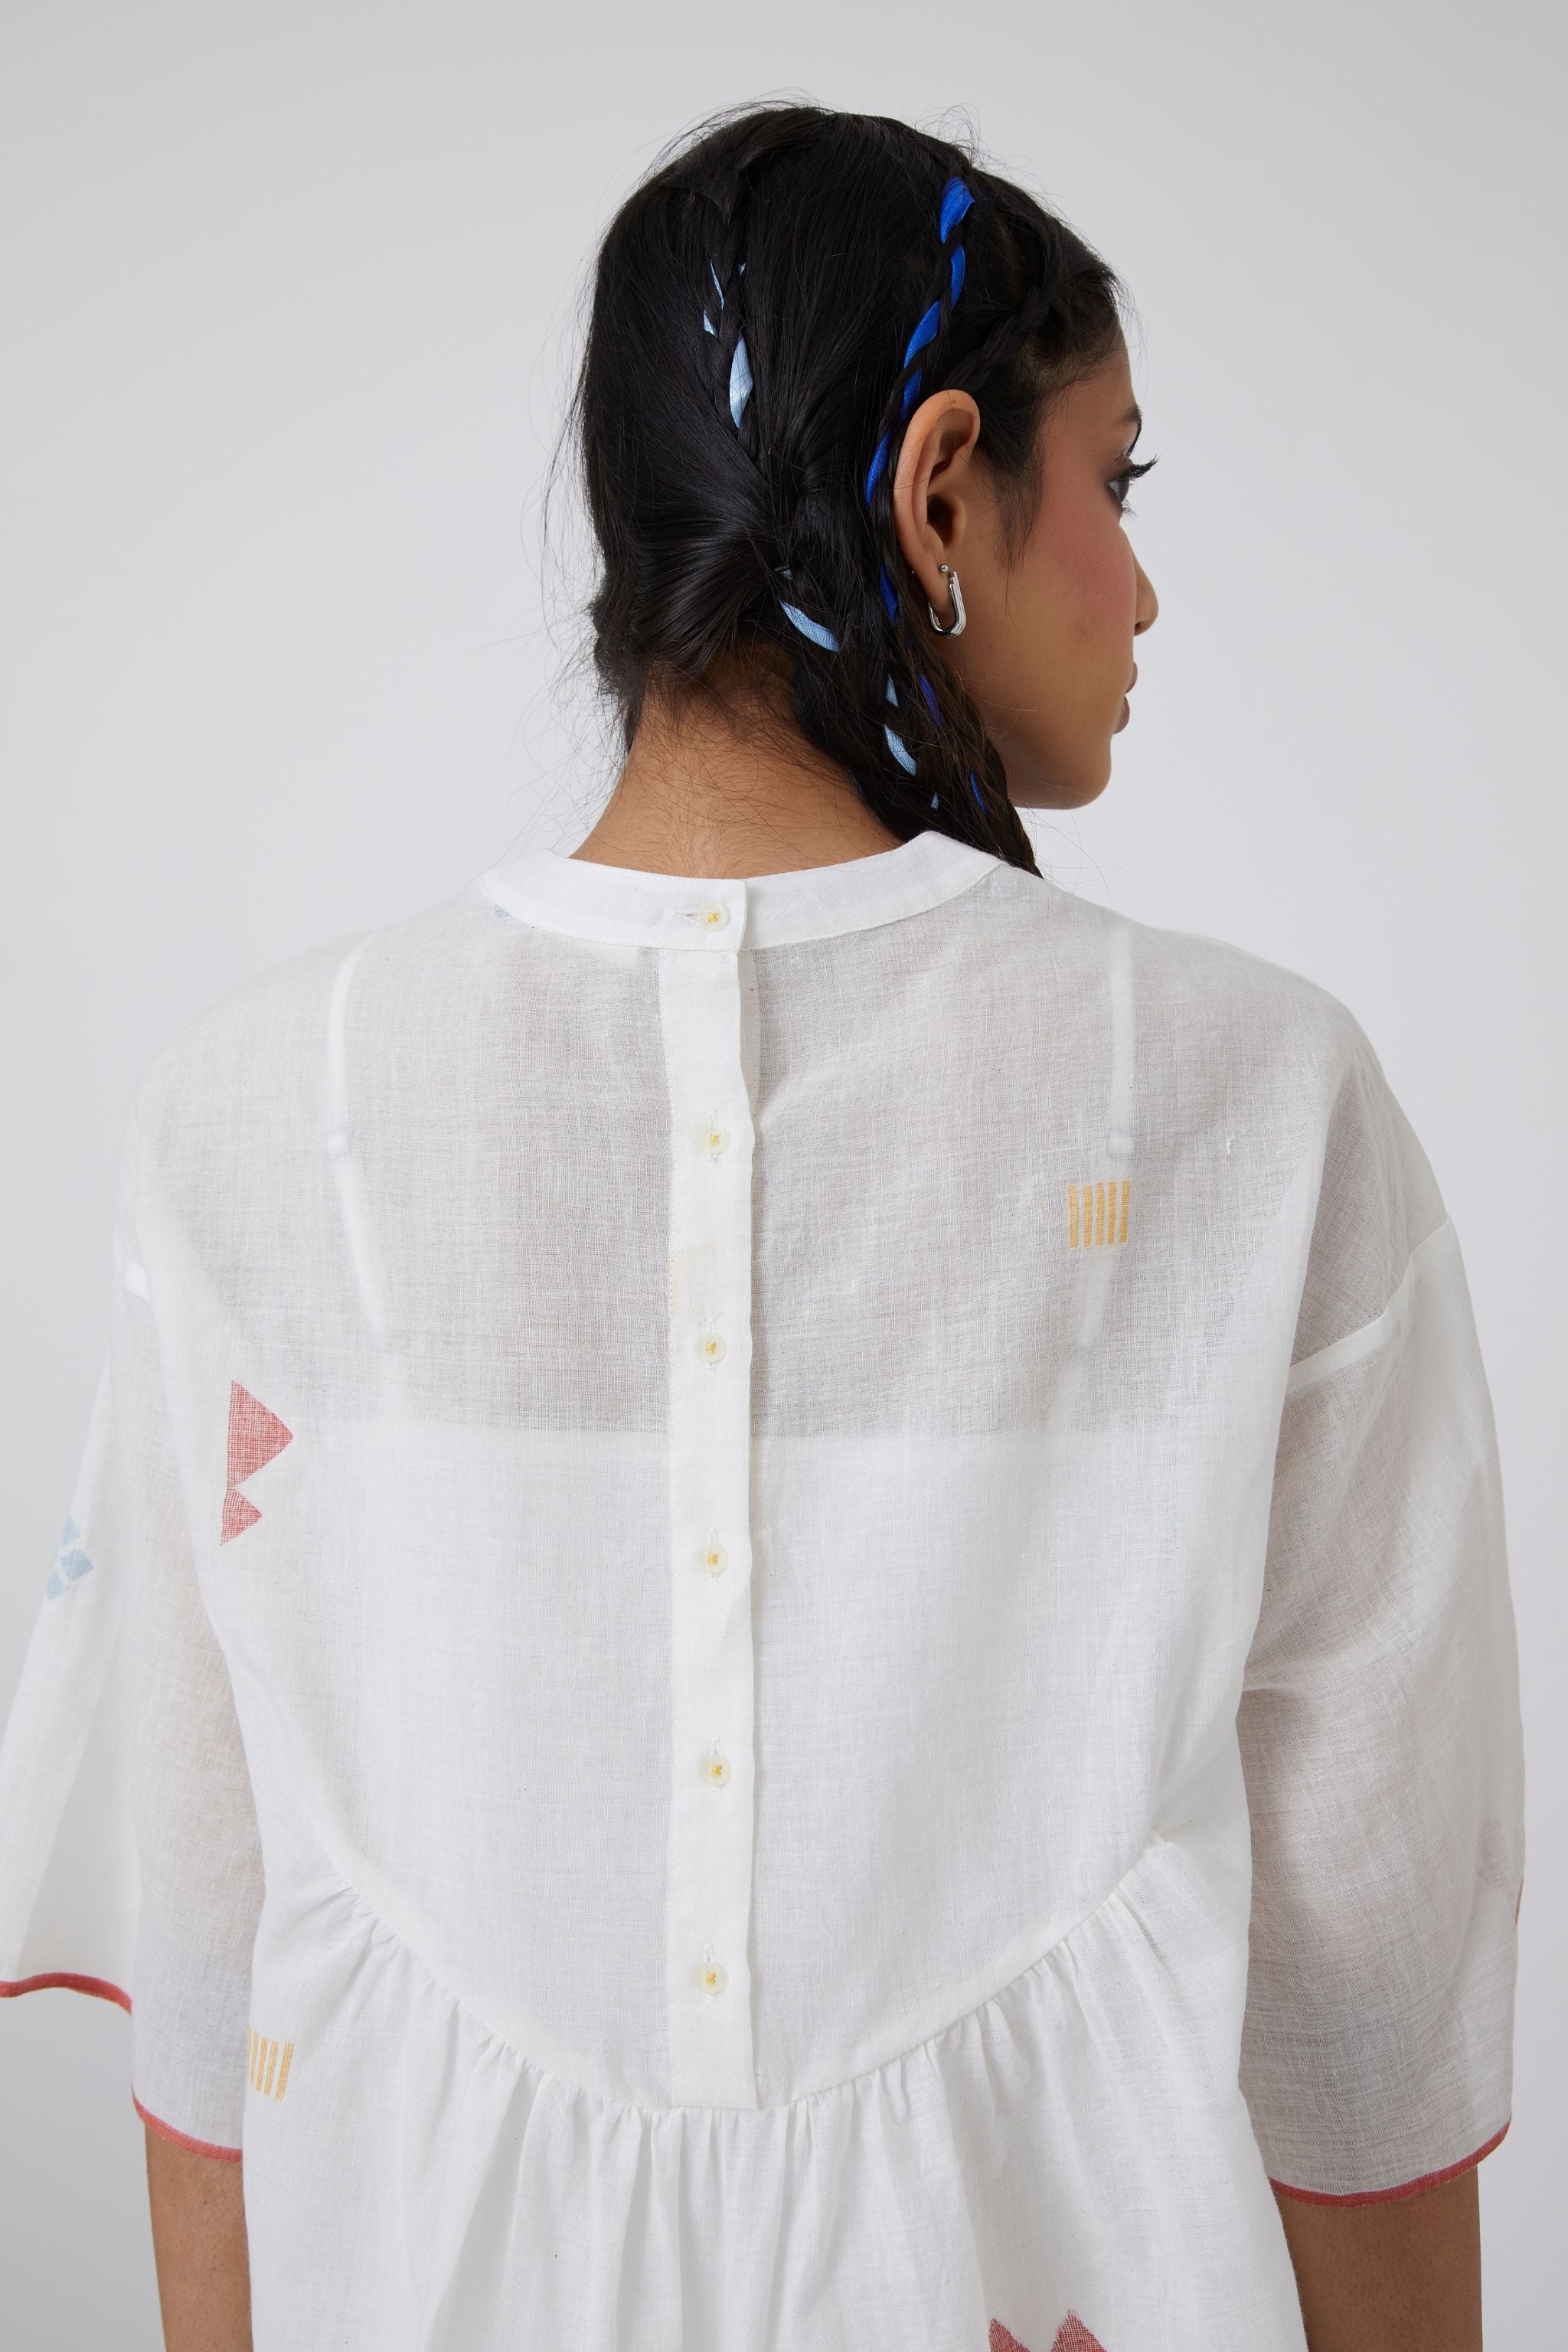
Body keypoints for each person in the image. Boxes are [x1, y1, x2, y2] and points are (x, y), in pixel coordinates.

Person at [0, 103, 1523, 2352]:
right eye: (1115, 484)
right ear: (940, 491)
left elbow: (205, 1965)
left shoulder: (254, 1112)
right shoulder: (1258, 1102)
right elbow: (1366, 1988)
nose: (1141, 586)